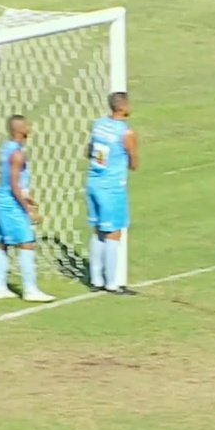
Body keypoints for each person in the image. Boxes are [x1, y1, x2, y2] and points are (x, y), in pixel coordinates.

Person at [0, 115, 55, 302]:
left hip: (0, 200)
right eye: (27, 124)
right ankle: (30, 290)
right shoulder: (18, 154)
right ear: (20, 130)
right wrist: (27, 208)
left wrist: (27, 197)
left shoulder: (7, 148)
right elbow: (14, 184)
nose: (30, 126)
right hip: (10, 203)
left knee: (2, 244)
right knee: (27, 243)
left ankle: (0, 287)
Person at [86, 91, 138, 295]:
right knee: (114, 233)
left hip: (94, 182)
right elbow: (134, 160)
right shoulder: (126, 133)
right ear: (123, 107)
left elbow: (89, 150)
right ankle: (112, 283)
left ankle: (96, 279)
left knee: (99, 231)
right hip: (112, 187)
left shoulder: (98, 125)